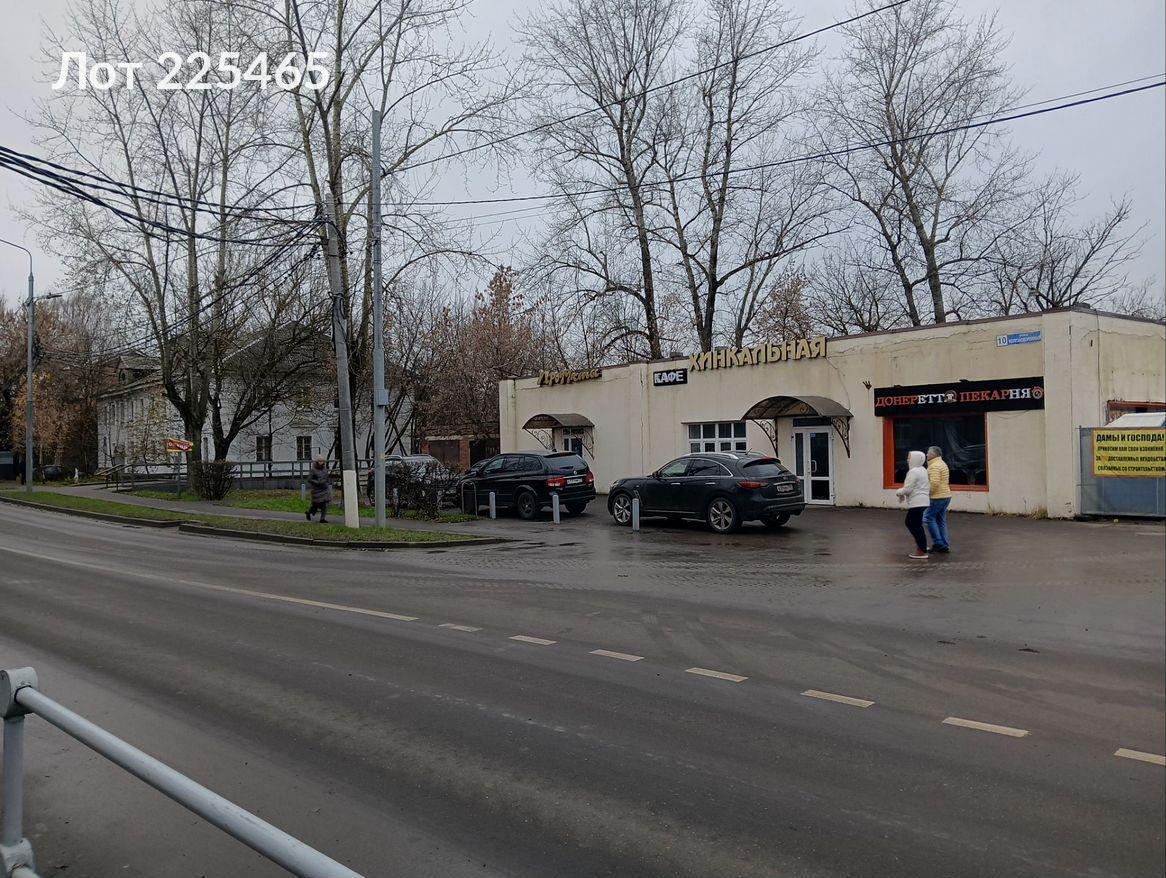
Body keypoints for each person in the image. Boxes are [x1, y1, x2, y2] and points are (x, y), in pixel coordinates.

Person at [895, 450, 930, 560]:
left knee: (911, 523)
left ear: (915, 459)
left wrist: (898, 492)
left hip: (917, 502)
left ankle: (922, 550)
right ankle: (922, 546)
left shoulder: (913, 472)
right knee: (917, 524)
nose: (907, 460)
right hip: (924, 501)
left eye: (909, 457)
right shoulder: (923, 470)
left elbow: (907, 489)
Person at [924, 445, 952, 553]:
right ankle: (944, 545)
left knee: (928, 518)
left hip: (937, 497)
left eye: (928, 452)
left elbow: (934, 483)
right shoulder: (942, 463)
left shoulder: (934, 466)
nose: (926, 454)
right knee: (941, 520)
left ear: (933, 454)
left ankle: (938, 543)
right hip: (945, 496)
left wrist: (926, 493)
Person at [306, 456, 332, 523]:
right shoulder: (313, 470)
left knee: (325, 503)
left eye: (322, 461)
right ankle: (309, 512)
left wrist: (328, 482)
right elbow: (309, 479)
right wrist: (317, 482)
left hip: (324, 489)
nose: (321, 462)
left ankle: (322, 518)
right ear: (317, 462)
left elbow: (327, 478)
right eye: (320, 461)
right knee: (316, 504)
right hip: (316, 490)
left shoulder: (325, 469)